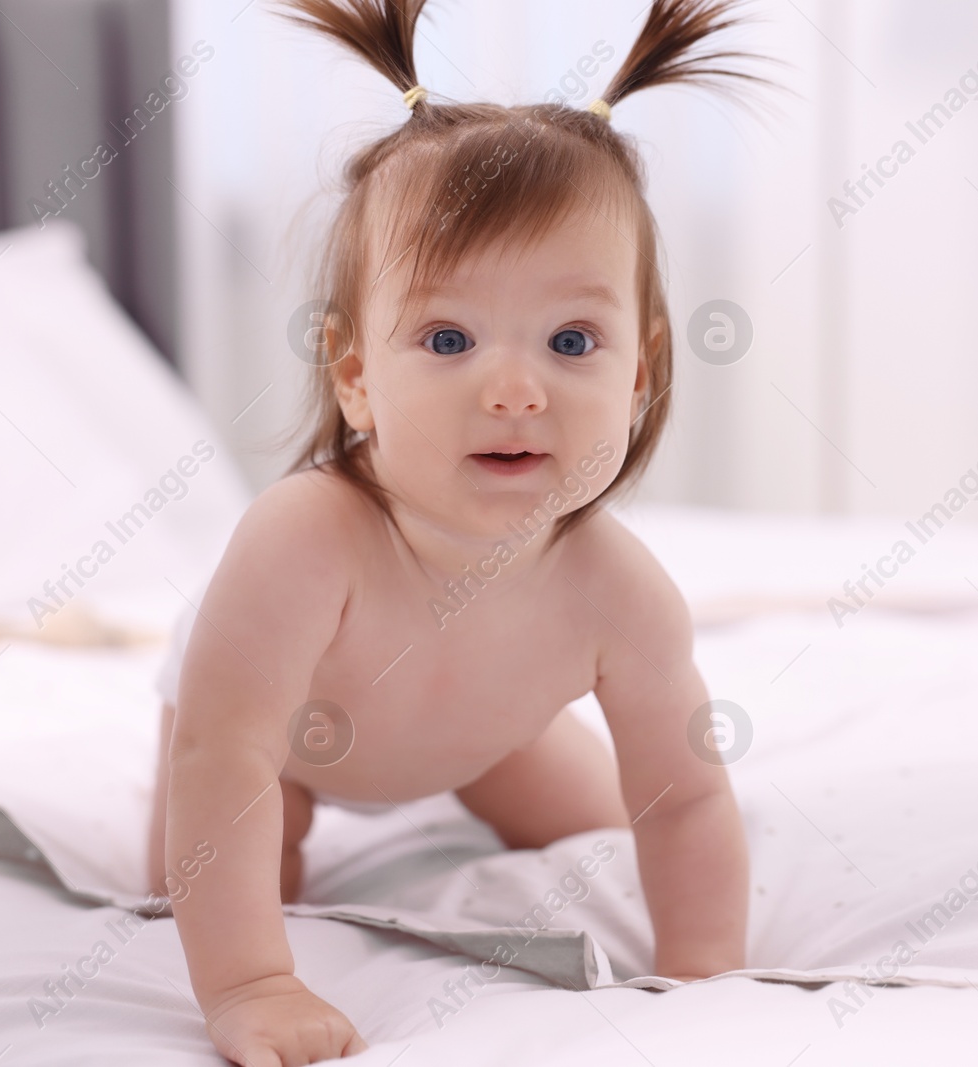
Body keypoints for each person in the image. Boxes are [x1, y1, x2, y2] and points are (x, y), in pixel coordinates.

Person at [148, 1, 776, 1062]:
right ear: (355, 379)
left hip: (490, 725)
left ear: (639, 371)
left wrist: (707, 973)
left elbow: (685, 798)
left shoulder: (618, 591)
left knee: (602, 831)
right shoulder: (304, 538)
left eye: (571, 338)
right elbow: (227, 751)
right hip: (277, 733)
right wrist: (252, 983)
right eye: (447, 337)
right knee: (208, 870)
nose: (516, 390)